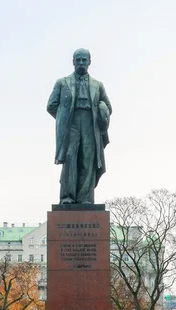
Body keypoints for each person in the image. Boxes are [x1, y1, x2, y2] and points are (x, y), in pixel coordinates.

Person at [47, 48, 112, 205]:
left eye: (84, 59)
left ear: (90, 62)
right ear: (73, 62)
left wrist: (102, 110)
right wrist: (64, 118)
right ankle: (67, 197)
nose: (81, 62)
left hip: (90, 124)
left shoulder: (98, 85)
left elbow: (108, 107)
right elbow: (51, 105)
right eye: (78, 60)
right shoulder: (62, 83)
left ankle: (85, 198)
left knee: (87, 160)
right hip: (71, 124)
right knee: (70, 159)